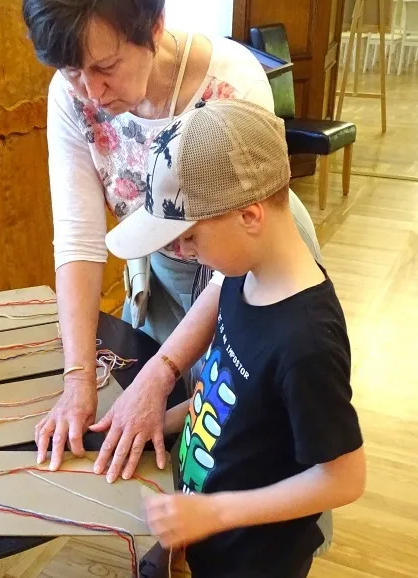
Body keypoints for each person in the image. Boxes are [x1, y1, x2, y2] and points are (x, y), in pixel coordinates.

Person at [22, 0, 321, 477]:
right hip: (163, 271)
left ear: (155, 25)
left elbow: (242, 261)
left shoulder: (232, 81)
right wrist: (78, 381)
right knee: (166, 436)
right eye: (70, 71)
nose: (91, 91)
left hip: (247, 265)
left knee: (244, 426)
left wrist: (163, 371)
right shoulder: (74, 93)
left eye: (106, 67)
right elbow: (80, 240)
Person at [105, 99, 366, 578]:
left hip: (255, 559)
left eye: (190, 237)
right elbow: (236, 400)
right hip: (209, 533)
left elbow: (344, 478)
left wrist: (216, 512)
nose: (182, 251)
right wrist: (163, 421)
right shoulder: (240, 279)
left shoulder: (306, 343)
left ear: (249, 216)